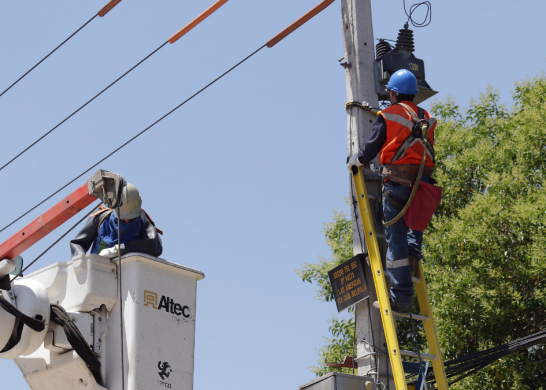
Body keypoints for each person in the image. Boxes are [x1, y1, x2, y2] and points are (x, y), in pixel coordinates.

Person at [347, 69, 437, 314]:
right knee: (413, 231)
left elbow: (373, 145)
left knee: (395, 240)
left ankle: (402, 300)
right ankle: (412, 255)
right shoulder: (427, 117)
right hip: (423, 185)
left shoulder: (389, 115)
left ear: (394, 93)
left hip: (398, 183)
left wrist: (357, 159)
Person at [70, 182, 163, 259]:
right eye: (122, 218)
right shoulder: (100, 218)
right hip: (99, 272)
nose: (127, 221)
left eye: (131, 218)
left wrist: (118, 250)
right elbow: (78, 243)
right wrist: (80, 262)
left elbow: (154, 246)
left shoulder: (142, 218)